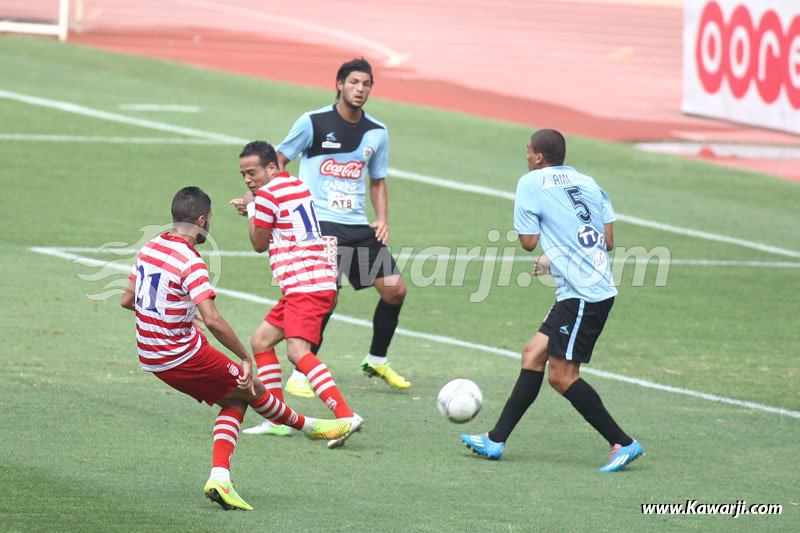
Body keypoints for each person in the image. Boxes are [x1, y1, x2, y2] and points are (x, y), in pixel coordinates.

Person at [121, 186, 351, 511]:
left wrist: (176, 317)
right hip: (180, 354)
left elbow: (128, 300)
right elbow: (213, 320)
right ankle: (310, 427)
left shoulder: (150, 248)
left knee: (234, 400)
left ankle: (220, 478)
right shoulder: (191, 260)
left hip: (151, 354)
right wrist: (245, 356)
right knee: (250, 384)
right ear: (202, 220)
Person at [461, 129, 643, 472]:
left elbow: (528, 241)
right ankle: (496, 439)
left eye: (528, 152)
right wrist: (555, 256)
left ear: (539, 157)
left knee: (561, 376)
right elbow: (607, 240)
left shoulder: (530, 183)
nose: (526, 157)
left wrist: (546, 250)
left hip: (583, 294)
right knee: (533, 354)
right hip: (586, 288)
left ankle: (623, 442)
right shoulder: (588, 182)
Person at [275, 57, 410, 394]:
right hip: (319, 225)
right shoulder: (313, 122)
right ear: (339, 84)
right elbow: (278, 159)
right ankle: (300, 375)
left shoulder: (377, 132)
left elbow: (377, 180)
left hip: (357, 227)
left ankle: (376, 361)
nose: (359, 89)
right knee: (327, 298)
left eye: (365, 84)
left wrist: (382, 219)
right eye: (353, 82)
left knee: (395, 291)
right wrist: (280, 198)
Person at [229, 141, 364, 446]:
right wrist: (255, 204)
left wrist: (251, 207)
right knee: (261, 341)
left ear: (272, 167)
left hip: (305, 285)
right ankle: (277, 421)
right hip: (313, 281)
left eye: (253, 172)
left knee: (297, 353)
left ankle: (346, 416)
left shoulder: (267, 196)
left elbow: (258, 242)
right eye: (244, 175)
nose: (249, 180)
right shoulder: (296, 185)